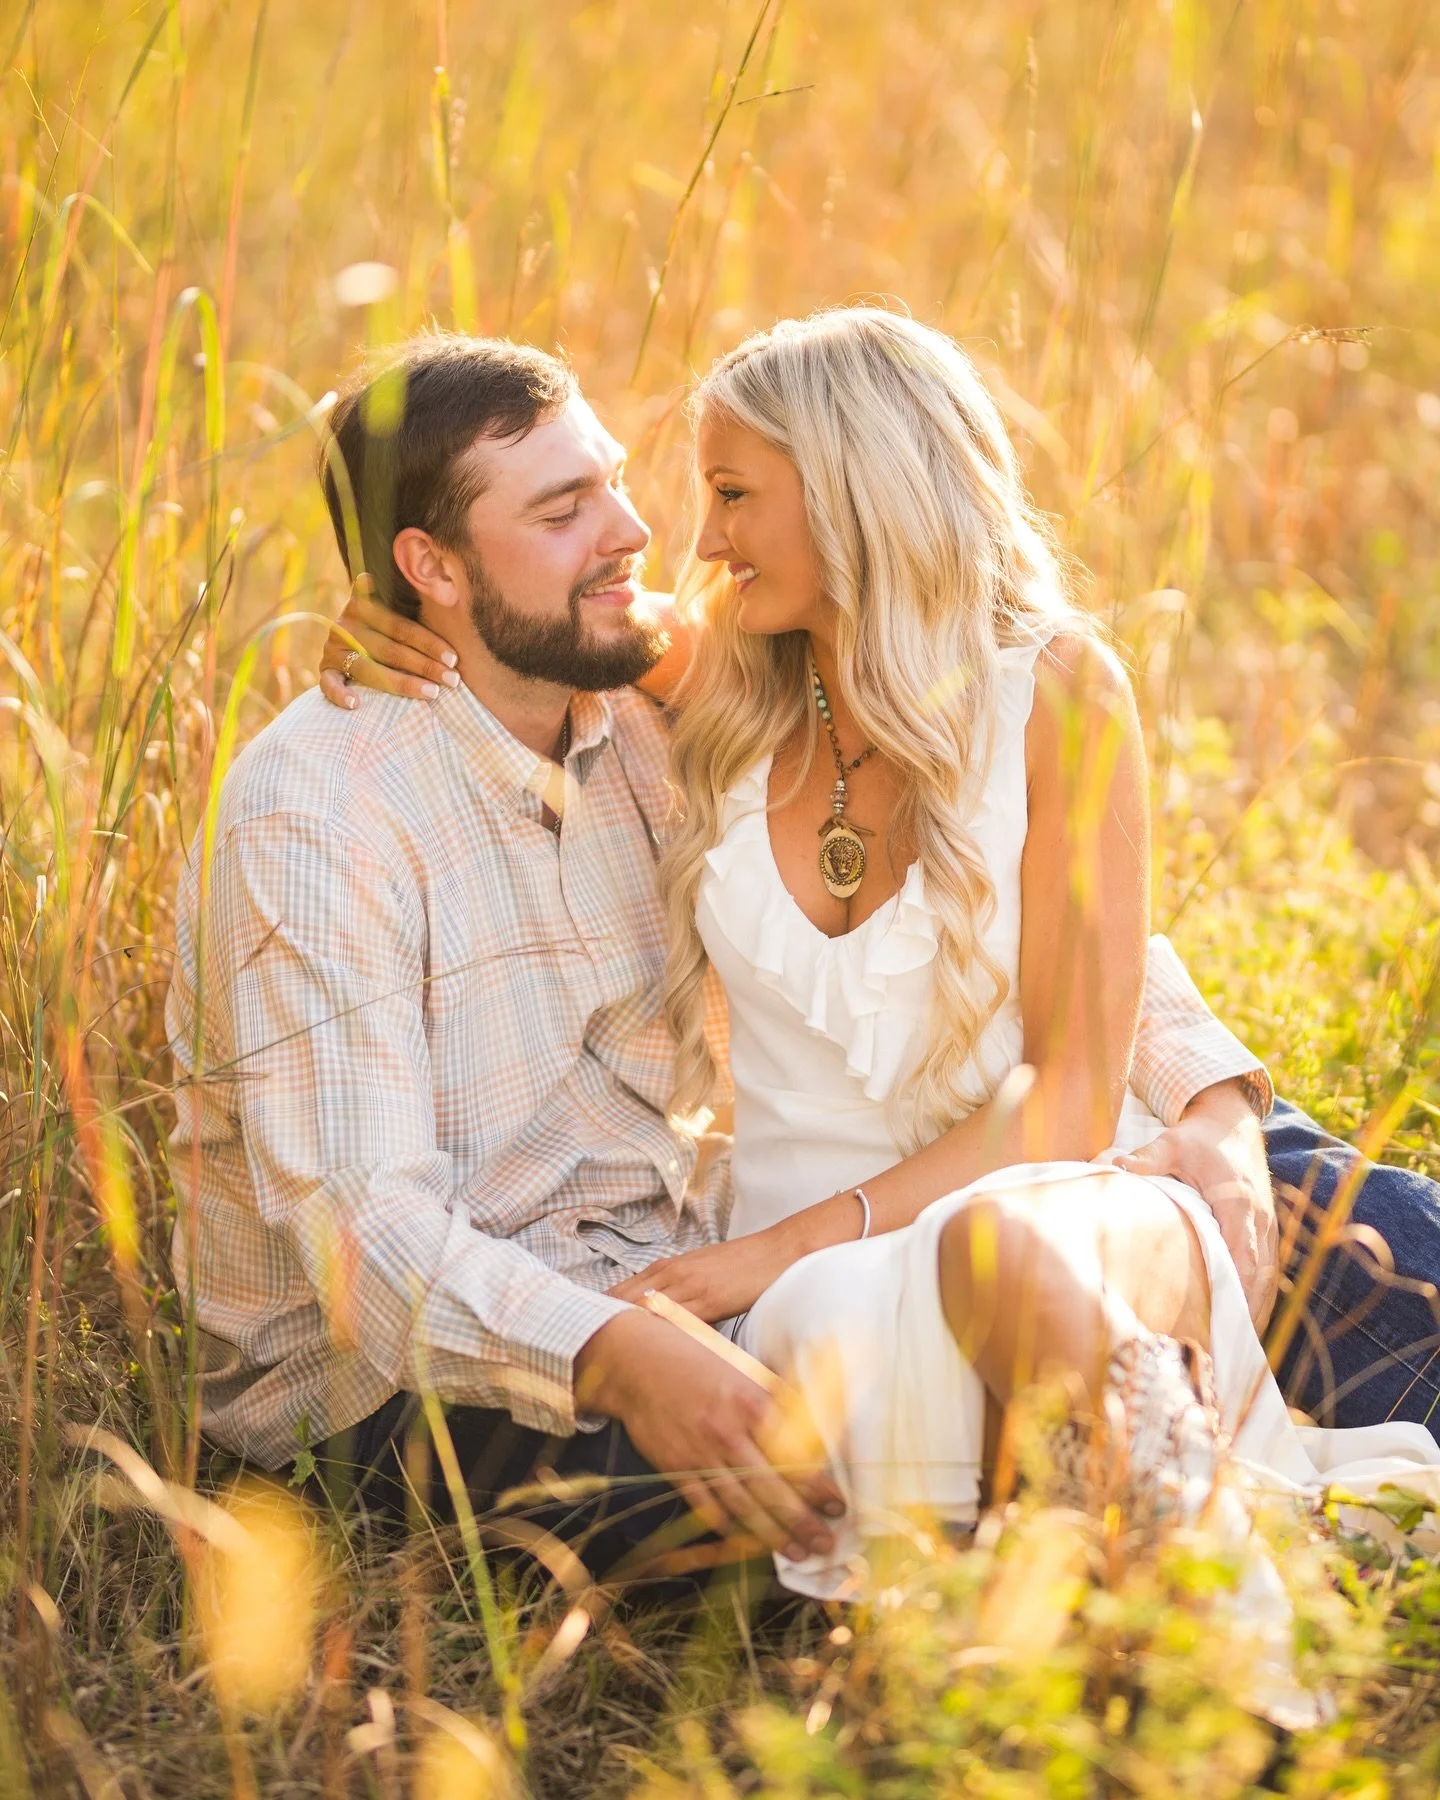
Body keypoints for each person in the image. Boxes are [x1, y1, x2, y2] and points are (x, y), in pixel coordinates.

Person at [170, 330, 1283, 1589]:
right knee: (855, 1455)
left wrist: (1215, 1096)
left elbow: (1008, 905)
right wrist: (617, 1353)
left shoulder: (651, 702)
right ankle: (1144, 1577)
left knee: (1320, 1222)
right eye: (563, 511)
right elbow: (361, 1235)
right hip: (428, 1370)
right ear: (429, 565)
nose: (644, 533)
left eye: (614, 482)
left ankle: (1150, 1525)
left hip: (730, 1255)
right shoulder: (317, 814)